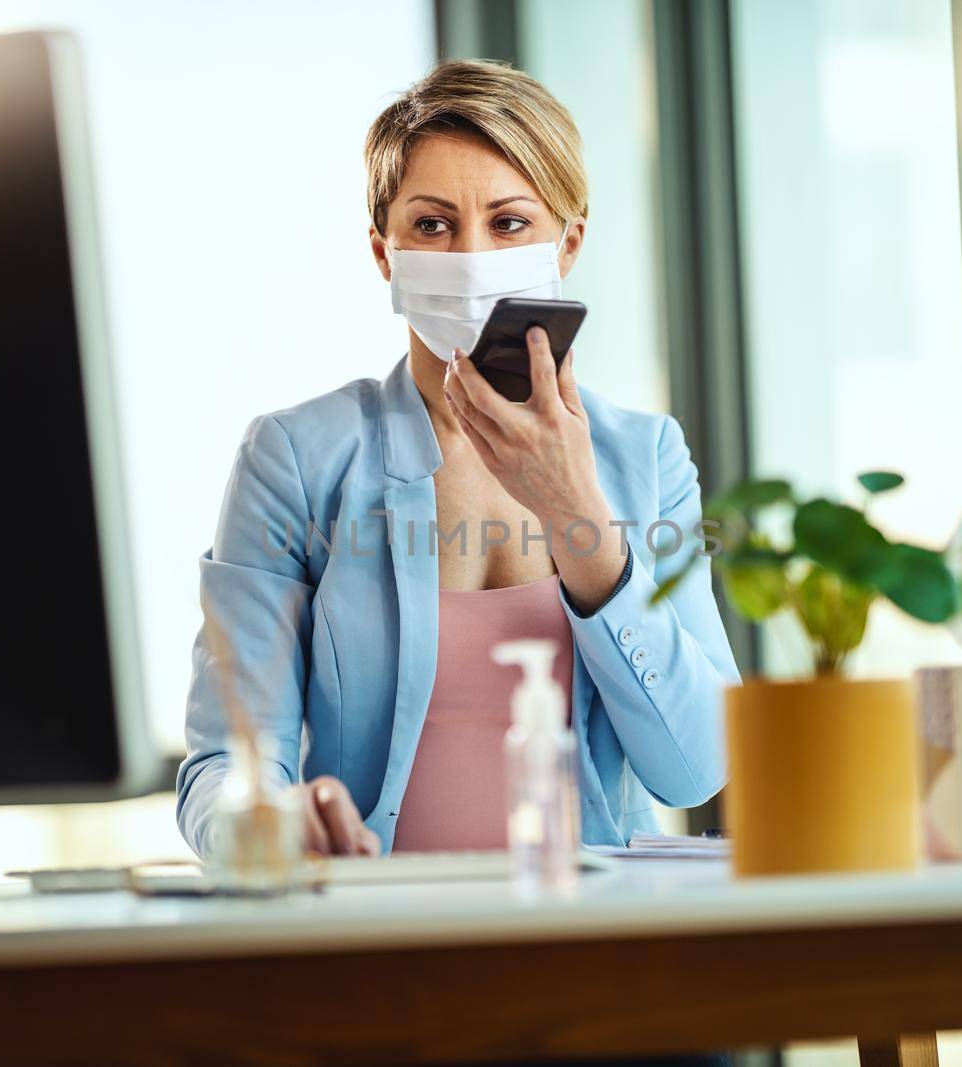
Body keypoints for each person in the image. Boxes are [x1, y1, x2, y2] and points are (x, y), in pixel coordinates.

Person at [177, 59, 739, 862]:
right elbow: (224, 762)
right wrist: (266, 819)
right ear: (385, 253)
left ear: (567, 245)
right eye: (433, 225)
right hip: (378, 939)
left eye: (509, 224)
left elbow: (696, 768)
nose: (470, 256)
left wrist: (579, 515)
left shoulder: (645, 456)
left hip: (595, 934)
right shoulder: (296, 460)